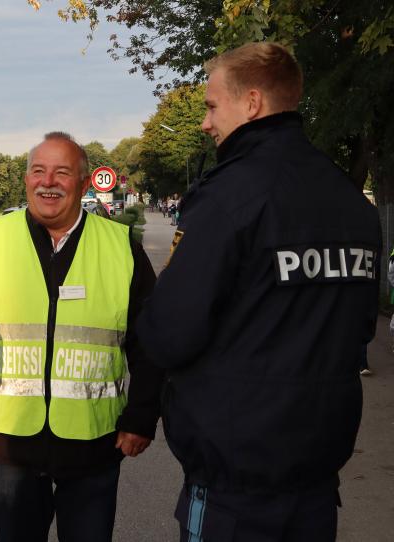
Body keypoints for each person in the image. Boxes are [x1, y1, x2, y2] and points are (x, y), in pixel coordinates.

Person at [136, 42, 381, 541]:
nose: (206, 123)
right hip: (316, 473)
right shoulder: (349, 200)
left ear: (251, 103)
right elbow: (358, 330)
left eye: (210, 106)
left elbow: (169, 334)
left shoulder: (229, 196)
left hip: (235, 480)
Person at [0, 132, 164, 542]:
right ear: (26, 179)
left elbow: (150, 342)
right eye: (38, 171)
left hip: (94, 444)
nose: (48, 182)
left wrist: (142, 417)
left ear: (82, 184)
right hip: (10, 444)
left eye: (62, 172)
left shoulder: (120, 247)